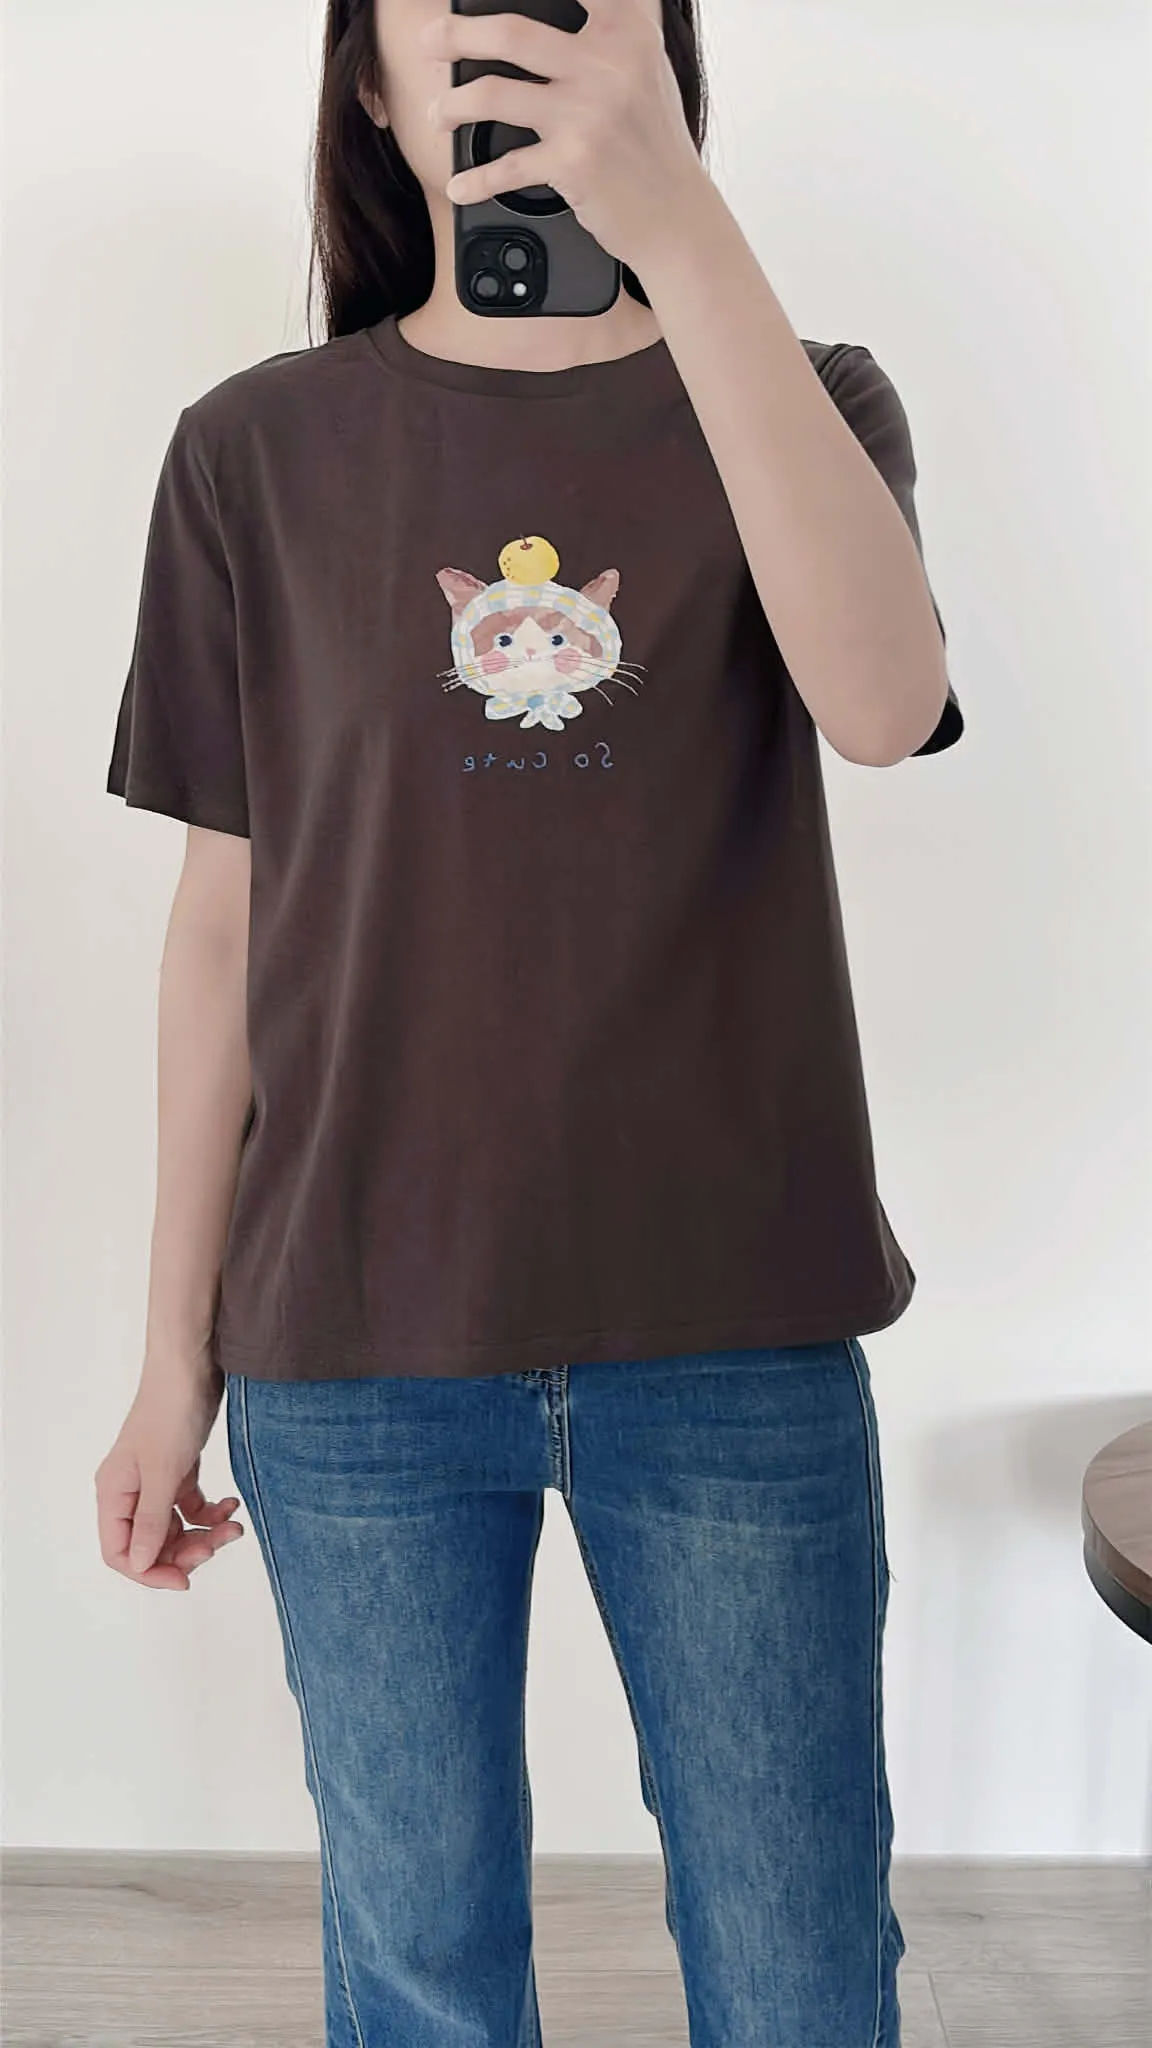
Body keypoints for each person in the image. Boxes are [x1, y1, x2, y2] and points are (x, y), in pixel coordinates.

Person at [95, 3, 965, 2043]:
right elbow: (222, 933)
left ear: (656, 49)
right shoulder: (253, 452)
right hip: (353, 1339)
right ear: (367, 79)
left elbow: (883, 705)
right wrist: (166, 1363)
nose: (499, 31)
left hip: (737, 1321)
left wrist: (684, 228)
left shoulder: (808, 394)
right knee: (421, 1975)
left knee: (802, 1970)